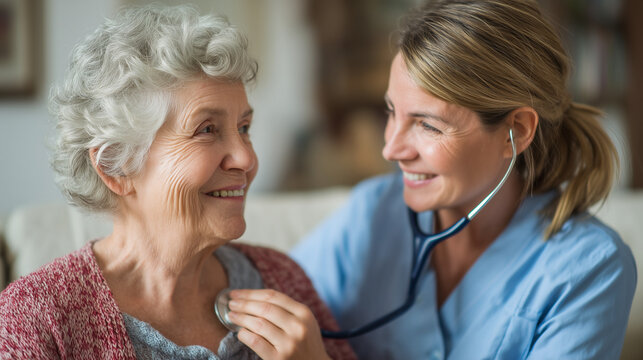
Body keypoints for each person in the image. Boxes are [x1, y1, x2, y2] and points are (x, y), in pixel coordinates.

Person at [0, 5, 356, 360]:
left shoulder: (283, 279)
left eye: (244, 128)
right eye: (207, 130)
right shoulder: (35, 319)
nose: (247, 159)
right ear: (116, 167)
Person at [292, 0, 637, 358]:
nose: (391, 150)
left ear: (515, 131)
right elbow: (268, 285)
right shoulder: (372, 212)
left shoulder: (588, 269)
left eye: (428, 125)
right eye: (392, 112)